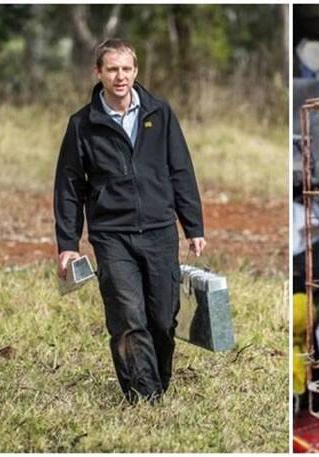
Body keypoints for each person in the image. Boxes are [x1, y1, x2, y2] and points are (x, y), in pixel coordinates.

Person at [53, 39, 206, 403]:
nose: (119, 76)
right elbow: (69, 186)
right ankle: (145, 398)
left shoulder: (160, 113)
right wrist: (68, 245)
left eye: (125, 69)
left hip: (159, 232)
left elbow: (180, 170)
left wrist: (194, 226)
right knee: (127, 319)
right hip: (112, 235)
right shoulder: (83, 125)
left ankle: (157, 383)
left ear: (135, 71)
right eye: (111, 69)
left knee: (162, 320)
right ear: (98, 73)